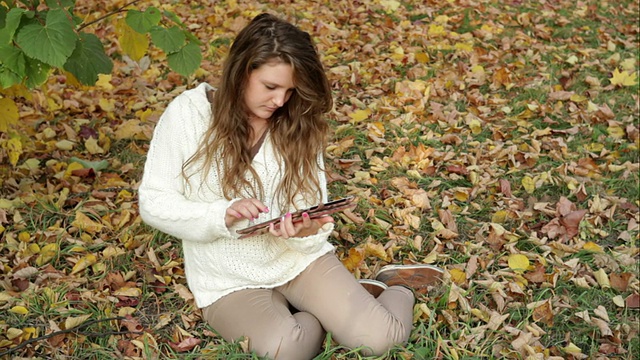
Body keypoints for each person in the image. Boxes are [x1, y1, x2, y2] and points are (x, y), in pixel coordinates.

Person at [139, 13, 443, 359]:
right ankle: (336, 308)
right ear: (241, 72)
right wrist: (219, 215)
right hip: (228, 279)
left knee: (380, 340)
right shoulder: (188, 115)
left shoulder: (296, 122)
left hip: (296, 261)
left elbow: (312, 205)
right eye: (270, 87)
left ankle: (397, 288)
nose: (281, 101)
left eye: (290, 90)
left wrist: (305, 230)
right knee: (286, 349)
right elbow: (154, 202)